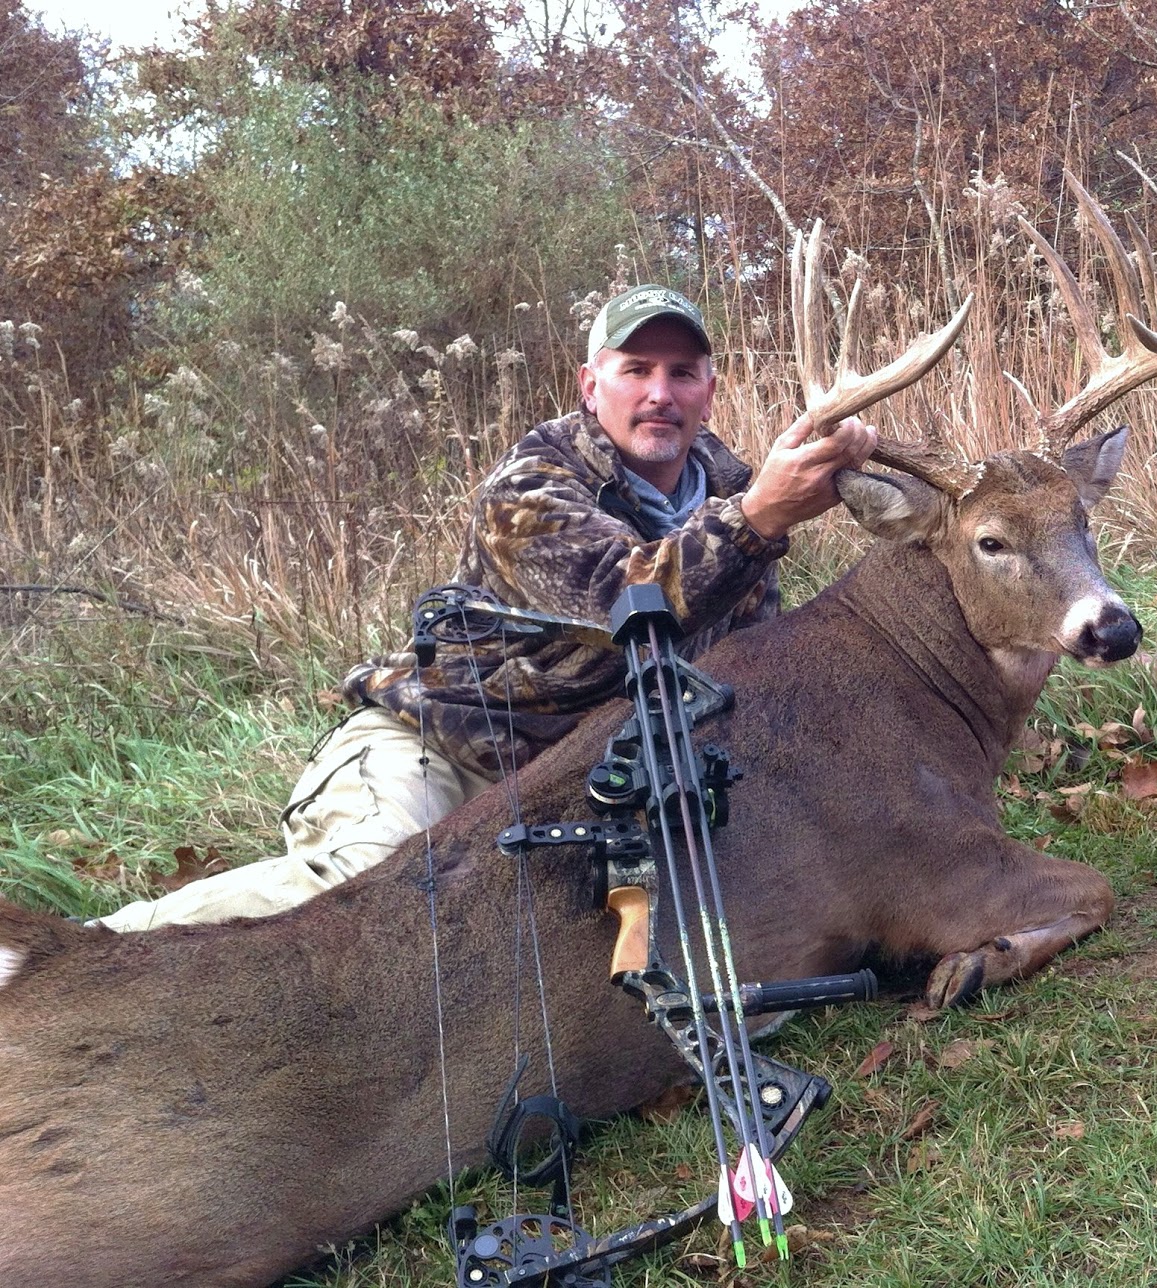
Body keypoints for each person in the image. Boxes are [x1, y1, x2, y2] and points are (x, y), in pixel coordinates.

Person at [97, 285, 876, 931]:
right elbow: (627, 601)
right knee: (360, 899)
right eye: (635, 369)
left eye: (682, 372)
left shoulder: (742, 488)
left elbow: (742, 673)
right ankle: (92, 955)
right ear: (589, 384)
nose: (659, 394)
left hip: (583, 784)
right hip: (444, 748)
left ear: (711, 387)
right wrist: (761, 519)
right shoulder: (532, 484)